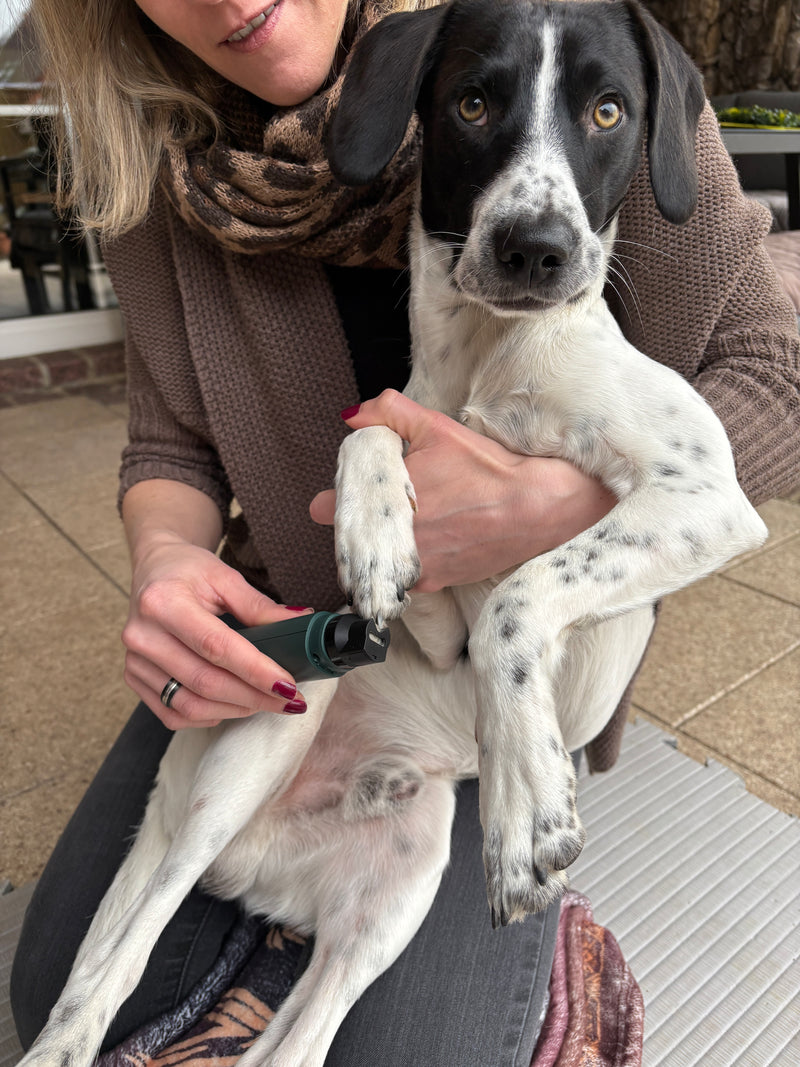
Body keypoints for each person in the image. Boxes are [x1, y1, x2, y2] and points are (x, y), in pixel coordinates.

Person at [11, 0, 800, 1063]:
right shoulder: (151, 161)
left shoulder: (576, 45)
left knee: (406, 1049)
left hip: (476, 704)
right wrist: (167, 563)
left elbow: (778, 380)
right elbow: (170, 446)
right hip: (316, 640)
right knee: (50, 978)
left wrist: (538, 513)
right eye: (472, 106)